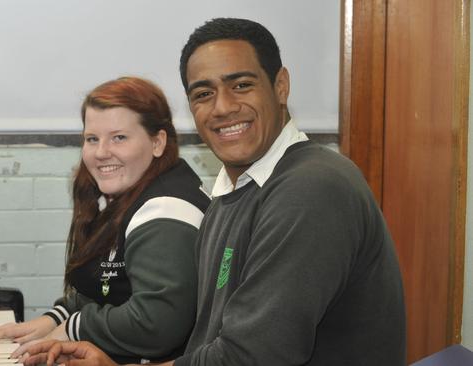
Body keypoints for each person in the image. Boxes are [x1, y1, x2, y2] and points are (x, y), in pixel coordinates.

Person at [21, 18, 406, 366]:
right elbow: (215, 345)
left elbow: (253, 357)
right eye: (203, 94)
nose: (222, 107)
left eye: (241, 85)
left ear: (281, 86)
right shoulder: (232, 191)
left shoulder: (312, 187)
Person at [0, 76, 210, 364]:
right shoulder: (136, 192)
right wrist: (55, 319)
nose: (101, 153)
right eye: (92, 139)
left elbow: (155, 324)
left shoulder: (165, 213)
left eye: (119, 137)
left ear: (157, 141)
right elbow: (108, 284)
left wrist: (73, 329)